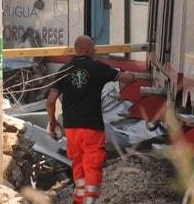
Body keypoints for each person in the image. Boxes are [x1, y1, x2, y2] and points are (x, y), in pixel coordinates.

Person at [46, 36, 135, 204]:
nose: (96, 51)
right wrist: (132, 75)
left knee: (78, 164)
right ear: (89, 50)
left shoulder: (64, 69)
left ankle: (79, 200)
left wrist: (52, 122)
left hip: (71, 128)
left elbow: (51, 100)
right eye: (94, 48)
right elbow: (126, 79)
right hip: (92, 127)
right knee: (92, 165)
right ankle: (89, 202)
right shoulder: (98, 68)